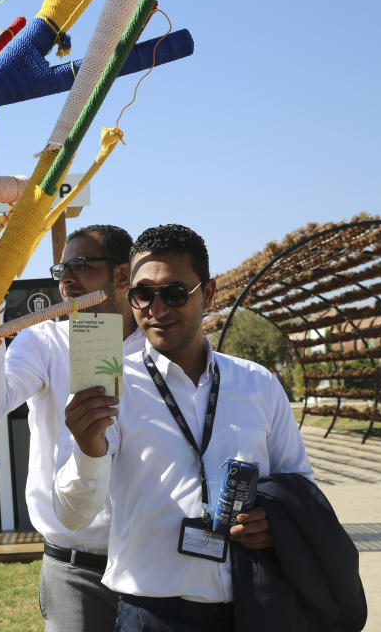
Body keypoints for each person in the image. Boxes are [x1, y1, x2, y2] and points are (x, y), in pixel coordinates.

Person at [53, 224, 315, 632]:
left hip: (253, 606)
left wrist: (273, 523)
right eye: (142, 294)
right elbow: (75, 515)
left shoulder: (257, 383)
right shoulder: (109, 385)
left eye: (175, 293)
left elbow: (298, 483)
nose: (157, 309)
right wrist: (88, 450)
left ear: (207, 295)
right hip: (150, 615)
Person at [0, 222, 142, 632]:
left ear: (123, 275)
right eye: (61, 271)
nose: (68, 281)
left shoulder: (157, 345)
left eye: (80, 266)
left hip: (151, 562)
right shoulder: (43, 340)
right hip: (75, 567)